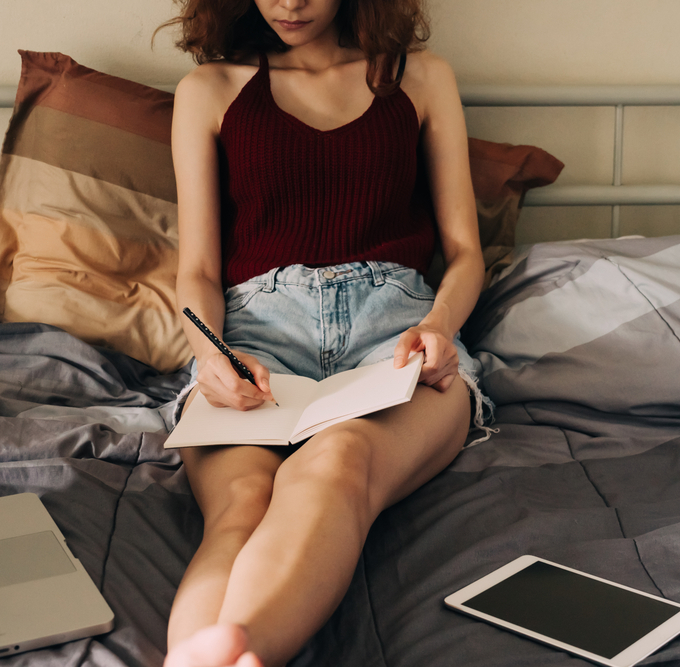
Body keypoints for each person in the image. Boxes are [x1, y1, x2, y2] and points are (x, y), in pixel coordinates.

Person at [161, 0, 491, 665]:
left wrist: (438, 327)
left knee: (339, 462)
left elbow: (465, 253)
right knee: (243, 502)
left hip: (395, 333)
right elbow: (195, 269)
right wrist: (211, 351)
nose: (289, 2)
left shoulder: (421, 80)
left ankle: (238, 652)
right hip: (258, 337)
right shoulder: (208, 91)